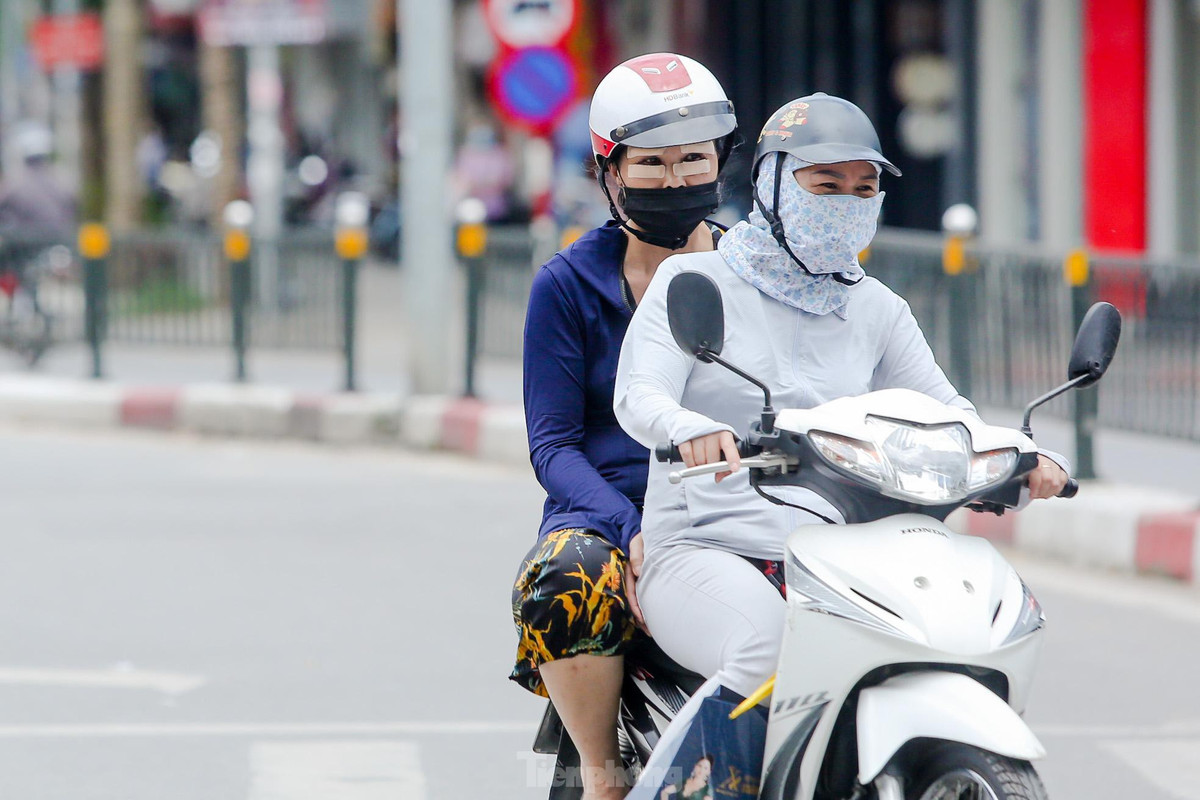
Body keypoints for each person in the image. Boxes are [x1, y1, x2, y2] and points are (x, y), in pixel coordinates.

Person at [612, 93, 1070, 706]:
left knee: (941, 637)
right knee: (766, 648)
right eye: (825, 184)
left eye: (864, 188)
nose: (847, 204)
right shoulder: (695, 282)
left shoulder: (878, 307)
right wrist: (688, 427)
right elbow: (640, 392)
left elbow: (947, 408)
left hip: (843, 555)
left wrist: (1020, 451)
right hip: (710, 546)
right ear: (772, 186)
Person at [510, 53, 738, 800]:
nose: (676, 180)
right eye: (652, 163)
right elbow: (553, 446)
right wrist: (629, 530)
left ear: (721, 160)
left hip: (740, 505)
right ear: (609, 171)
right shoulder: (566, 286)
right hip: (612, 519)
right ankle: (604, 775)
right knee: (567, 578)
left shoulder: (759, 275)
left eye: (693, 160)